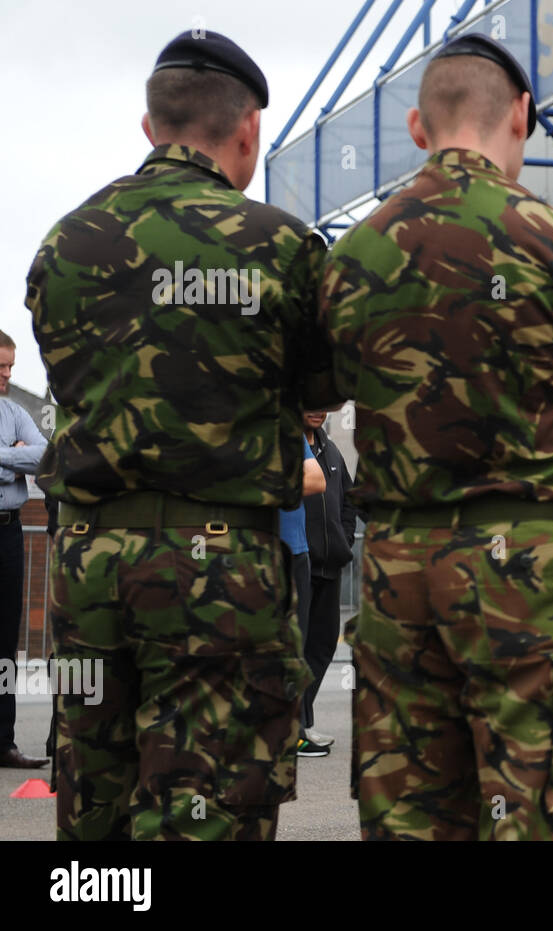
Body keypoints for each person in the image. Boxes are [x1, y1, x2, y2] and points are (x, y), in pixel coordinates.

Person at [319, 34, 553, 840]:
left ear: (415, 126)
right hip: (534, 571)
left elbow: (320, 401)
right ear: (523, 115)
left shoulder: (352, 257)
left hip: (400, 571)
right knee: (544, 809)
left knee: (411, 813)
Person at [26, 31, 337, 840]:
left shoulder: (62, 245)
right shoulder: (282, 248)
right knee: (209, 803)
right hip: (219, 570)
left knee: (94, 801)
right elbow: (321, 390)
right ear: (248, 133)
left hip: (85, 562)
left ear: (148, 127)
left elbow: (68, 383)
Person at [0, 332, 50, 769]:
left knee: (5, 642)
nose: (7, 375)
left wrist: (9, 459)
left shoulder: (16, 412)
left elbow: (44, 456)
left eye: (11, 368)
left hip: (9, 534)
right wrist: (13, 456)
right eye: (0, 367)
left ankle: (3, 742)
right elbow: (26, 459)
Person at [299, 410, 358, 752]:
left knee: (321, 647)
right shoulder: (285, 448)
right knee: (296, 646)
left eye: (324, 403)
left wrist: (344, 539)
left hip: (329, 565)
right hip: (297, 564)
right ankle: (296, 727)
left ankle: (302, 721)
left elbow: (349, 501)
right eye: (310, 401)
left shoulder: (331, 450)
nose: (318, 409)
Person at [284, 436, 326, 756]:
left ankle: (292, 732)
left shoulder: (281, 424)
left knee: (294, 648)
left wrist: (247, 480)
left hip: (293, 551)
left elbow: (315, 479)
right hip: (241, 552)